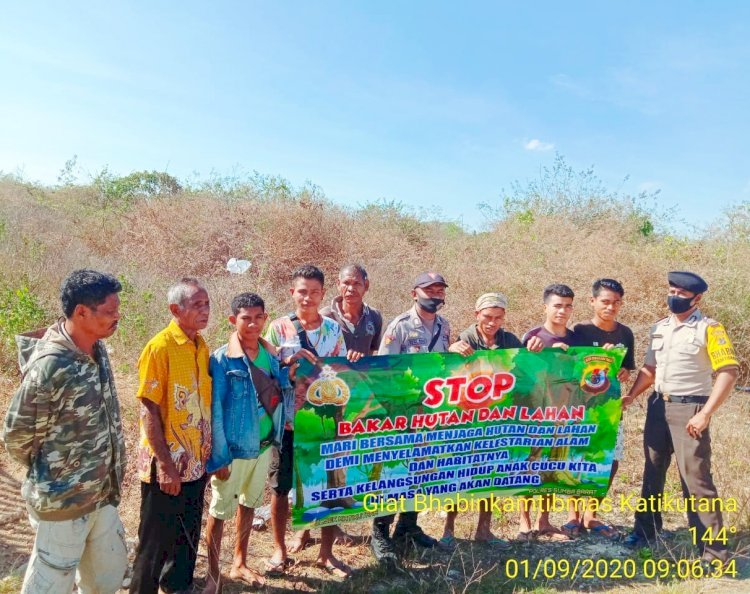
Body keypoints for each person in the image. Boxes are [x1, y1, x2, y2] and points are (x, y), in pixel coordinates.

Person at [2, 270, 127, 594]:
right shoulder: (51, 366)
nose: (118, 317)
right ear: (81, 312)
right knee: (50, 584)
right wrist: (59, 470)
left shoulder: (96, 349)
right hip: (63, 501)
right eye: (110, 311)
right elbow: (16, 436)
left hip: (102, 492)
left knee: (105, 579)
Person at [622, 271, 738, 565]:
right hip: (658, 407)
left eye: (681, 293)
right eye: (671, 290)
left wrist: (706, 414)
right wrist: (632, 396)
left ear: (697, 299)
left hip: (691, 409)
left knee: (696, 480)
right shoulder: (659, 328)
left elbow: (728, 371)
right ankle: (646, 532)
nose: (673, 296)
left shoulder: (710, 329)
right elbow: (650, 369)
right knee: (652, 472)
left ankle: (713, 553)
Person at [265, 264, 352, 578]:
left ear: (323, 294)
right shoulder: (276, 329)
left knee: (328, 485)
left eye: (314, 292)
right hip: (288, 422)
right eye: (302, 291)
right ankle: (279, 549)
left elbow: (340, 371)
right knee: (280, 486)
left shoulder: (332, 330)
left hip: (324, 423)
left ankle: (326, 554)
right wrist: (288, 368)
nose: (308, 298)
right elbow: (266, 372)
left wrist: (347, 365)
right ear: (292, 293)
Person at [130, 278, 212, 594]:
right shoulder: (159, 347)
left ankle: (178, 585)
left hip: (194, 461)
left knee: (187, 530)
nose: (205, 311)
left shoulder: (201, 346)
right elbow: (149, 410)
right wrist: (165, 464)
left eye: (207, 304)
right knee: (154, 539)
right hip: (165, 463)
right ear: (175, 309)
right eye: (197, 305)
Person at [202, 292, 286, 593]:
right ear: (232, 320)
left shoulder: (271, 355)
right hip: (234, 450)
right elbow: (216, 412)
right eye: (245, 318)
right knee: (219, 511)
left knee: (249, 504)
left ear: (265, 318)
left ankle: (239, 562)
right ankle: (213, 573)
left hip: (263, 445)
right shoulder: (222, 359)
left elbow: (281, 392)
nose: (252, 324)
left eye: (257, 317)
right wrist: (219, 457)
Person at [371, 271, 451, 565]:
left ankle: (408, 526)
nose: (435, 294)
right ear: (413, 293)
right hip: (401, 415)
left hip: (431, 415)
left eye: (440, 290)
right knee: (394, 472)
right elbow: (383, 369)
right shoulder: (400, 327)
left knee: (420, 470)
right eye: (429, 289)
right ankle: (380, 532)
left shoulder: (444, 326)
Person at [443, 292, 522, 547]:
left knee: (492, 474)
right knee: (457, 473)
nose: (492, 322)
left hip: (496, 419)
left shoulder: (509, 340)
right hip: (466, 418)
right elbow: (444, 369)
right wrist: (452, 350)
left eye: (498, 317)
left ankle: (484, 530)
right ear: (477, 315)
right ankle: (448, 530)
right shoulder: (465, 338)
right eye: (487, 316)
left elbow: (525, 367)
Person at [563, 278, 635, 539]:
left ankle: (592, 514)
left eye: (616, 302)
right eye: (605, 301)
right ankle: (572, 515)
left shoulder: (625, 333)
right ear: (593, 301)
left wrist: (624, 371)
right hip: (580, 408)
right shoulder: (578, 330)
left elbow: (626, 368)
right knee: (577, 457)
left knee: (611, 460)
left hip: (610, 409)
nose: (611, 307)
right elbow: (568, 368)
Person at [517, 283, 577, 542]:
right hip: (535, 413)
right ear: (546, 307)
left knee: (552, 464)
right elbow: (520, 374)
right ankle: (524, 522)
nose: (562, 311)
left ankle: (545, 520)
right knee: (530, 464)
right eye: (557, 305)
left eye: (567, 306)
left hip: (563, 414)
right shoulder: (532, 337)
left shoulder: (576, 340)